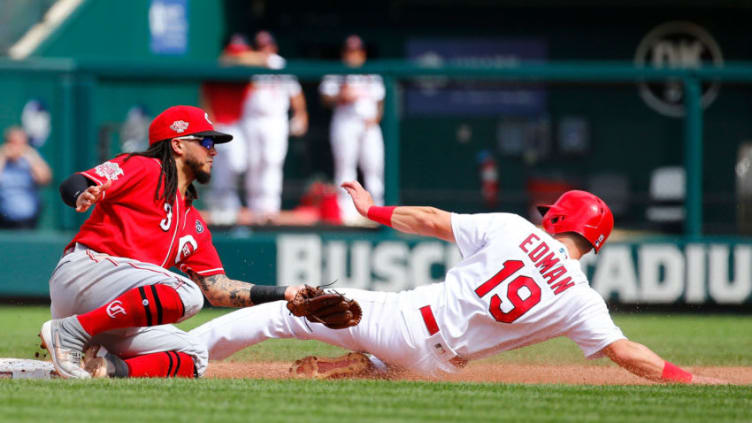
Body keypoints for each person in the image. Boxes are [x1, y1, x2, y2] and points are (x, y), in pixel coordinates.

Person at [190, 181, 725, 384]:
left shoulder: (515, 229)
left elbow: (427, 218)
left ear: (558, 220)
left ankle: (183, 355)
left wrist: (371, 209)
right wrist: (690, 382)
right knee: (391, 361)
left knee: (288, 310)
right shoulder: (582, 300)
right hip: (437, 365)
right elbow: (629, 354)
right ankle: (361, 367)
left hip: (406, 321)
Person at [40, 105, 313, 379]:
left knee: (194, 354)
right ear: (178, 144)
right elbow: (75, 182)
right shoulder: (146, 167)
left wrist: (286, 293)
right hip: (85, 274)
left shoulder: (193, 222)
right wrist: (80, 195)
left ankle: (104, 367)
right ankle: (70, 333)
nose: (213, 151)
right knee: (187, 292)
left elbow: (219, 290)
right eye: (206, 141)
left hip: (117, 311)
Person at [239, 30, 308, 222]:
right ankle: (254, 207)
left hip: (275, 119)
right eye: (261, 47)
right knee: (253, 163)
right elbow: (229, 61)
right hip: (251, 119)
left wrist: (301, 114)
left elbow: (295, 93)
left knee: (273, 161)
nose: (265, 50)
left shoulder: (280, 64)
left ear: (274, 47)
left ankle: (270, 208)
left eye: (268, 46)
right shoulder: (247, 63)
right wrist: (254, 58)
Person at [319, 35, 385, 224]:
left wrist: (377, 117)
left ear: (362, 54)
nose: (353, 56)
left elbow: (381, 100)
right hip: (345, 123)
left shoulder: (372, 73)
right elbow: (325, 98)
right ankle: (347, 213)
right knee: (345, 168)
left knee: (374, 168)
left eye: (356, 52)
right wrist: (340, 95)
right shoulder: (336, 73)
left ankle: (377, 211)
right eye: (349, 52)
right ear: (344, 54)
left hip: (368, 125)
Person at [0, 126, 52, 228]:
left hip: (28, 219)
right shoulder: (2, 160)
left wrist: (32, 156)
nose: (16, 148)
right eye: (12, 143)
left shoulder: (31, 160)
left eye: (20, 143)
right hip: (3, 217)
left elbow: (45, 179)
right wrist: (2, 156)